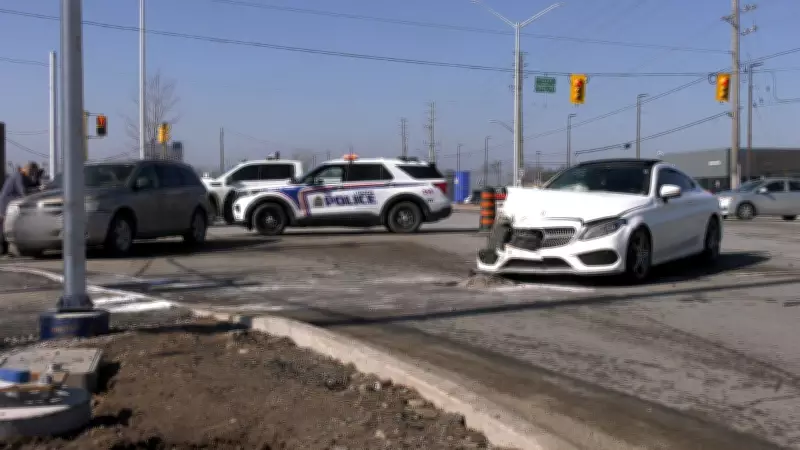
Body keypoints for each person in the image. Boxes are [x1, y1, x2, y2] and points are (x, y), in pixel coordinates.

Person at [0, 162, 40, 255]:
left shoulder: (23, 177)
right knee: (5, 227)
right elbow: (23, 192)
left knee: (6, 227)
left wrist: (37, 180)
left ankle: (5, 249)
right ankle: (4, 248)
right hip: (7, 204)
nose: (32, 175)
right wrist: (37, 189)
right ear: (27, 169)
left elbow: (31, 186)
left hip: (11, 204)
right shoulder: (18, 176)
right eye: (32, 172)